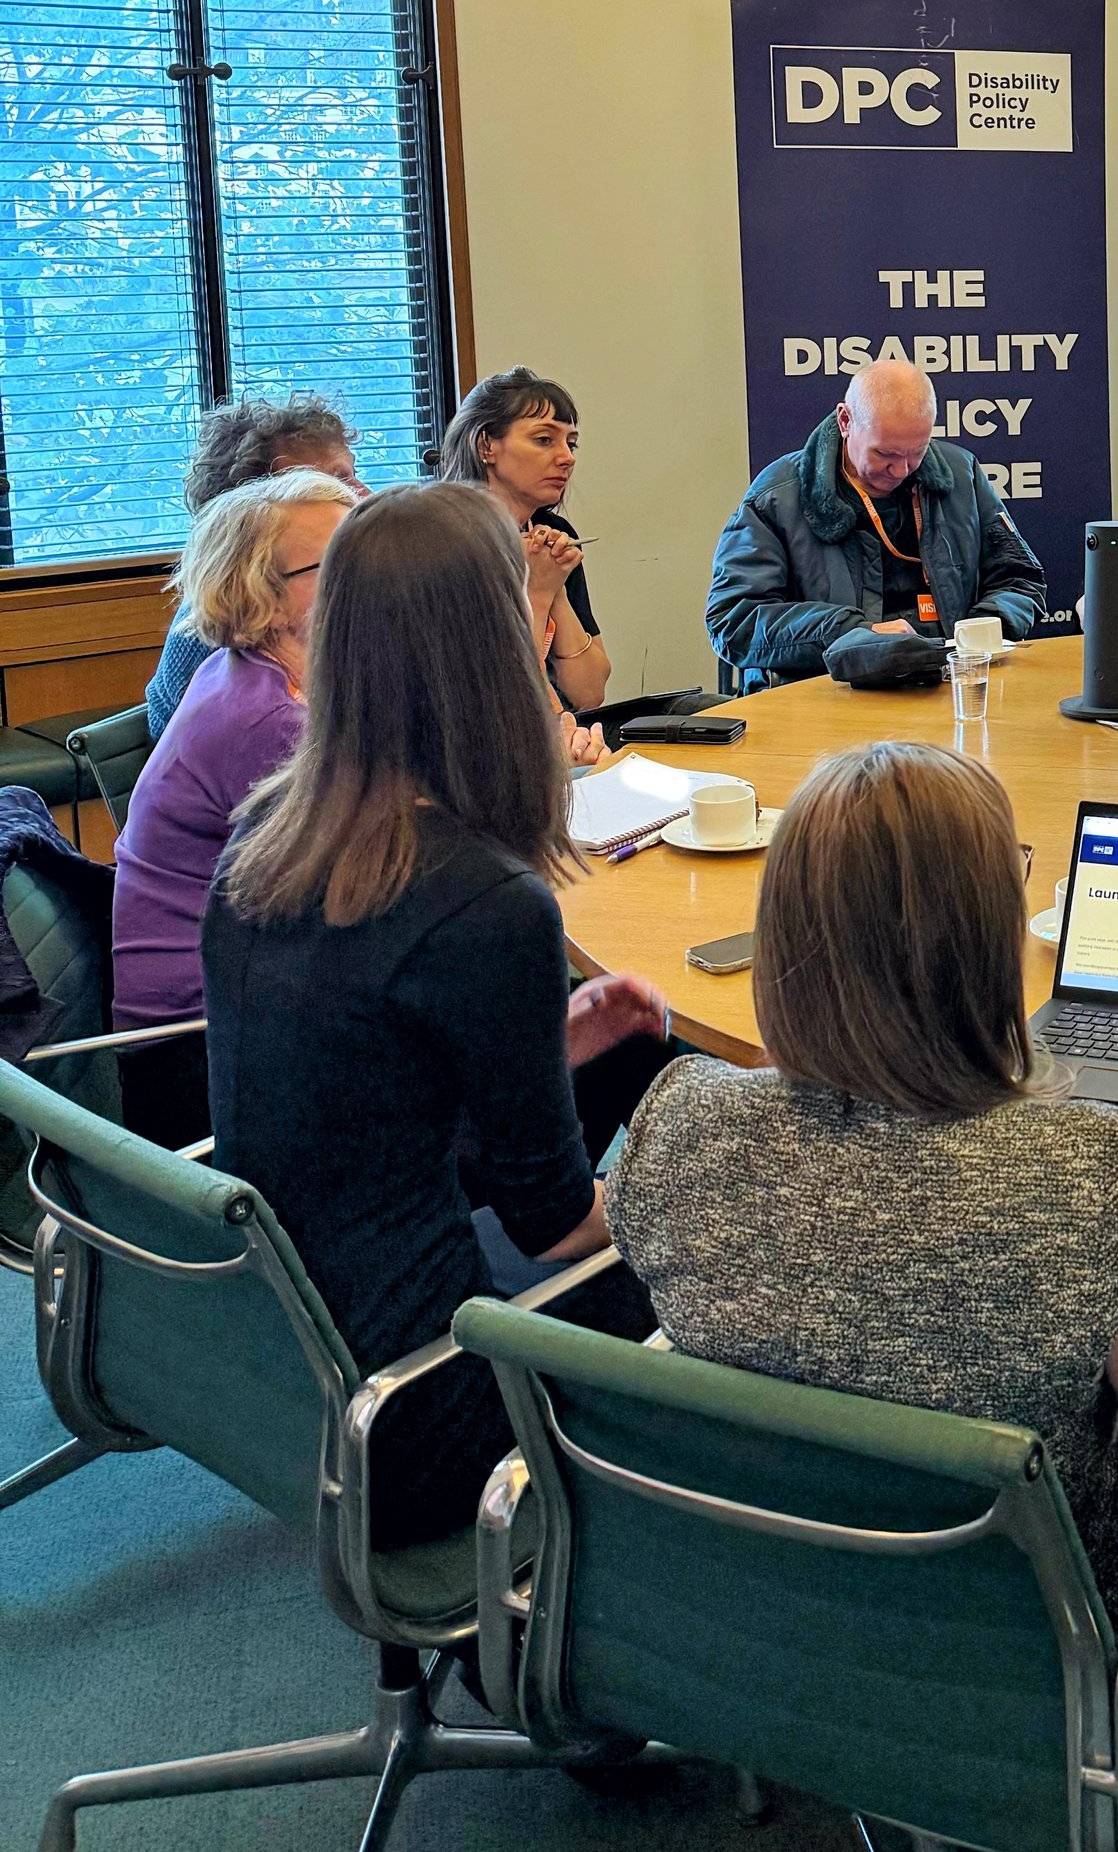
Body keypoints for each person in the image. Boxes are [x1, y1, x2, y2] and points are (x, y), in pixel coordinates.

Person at [605, 741, 1118, 1717]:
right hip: (1044, 1688)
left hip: (754, 1635)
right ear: (995, 936)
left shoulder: (679, 1124)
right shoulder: (1101, 1173)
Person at [203, 484, 675, 1548]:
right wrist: (700, 1191)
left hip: (281, 1359)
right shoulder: (482, 902)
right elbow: (554, 1226)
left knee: (629, 1071)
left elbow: (355, 1086)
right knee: (728, 1235)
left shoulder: (266, 838)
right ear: (493, 649)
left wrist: (545, 1045)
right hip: (428, 1408)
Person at [111, 471, 356, 1144]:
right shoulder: (267, 717)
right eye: (338, 560)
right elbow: (363, 892)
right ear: (265, 596)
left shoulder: (265, 675)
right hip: (203, 1055)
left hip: (251, 1003)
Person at [706, 359, 1048, 682]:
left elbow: (1020, 578)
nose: (901, 470)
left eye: (918, 451)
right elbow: (732, 621)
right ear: (845, 422)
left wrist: (987, 626)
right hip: (825, 695)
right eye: (884, 453)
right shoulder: (778, 496)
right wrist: (850, 634)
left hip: (951, 684)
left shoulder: (961, 474)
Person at [145, 395, 364, 737]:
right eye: (335, 485)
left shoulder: (309, 593)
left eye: (352, 476)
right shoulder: (231, 621)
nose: (363, 495)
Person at [435, 365, 610, 714]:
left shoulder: (553, 534)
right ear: (486, 445)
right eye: (544, 440)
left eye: (571, 443)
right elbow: (504, 700)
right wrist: (538, 593)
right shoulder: (441, 541)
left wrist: (555, 589)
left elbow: (589, 694)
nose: (567, 457)